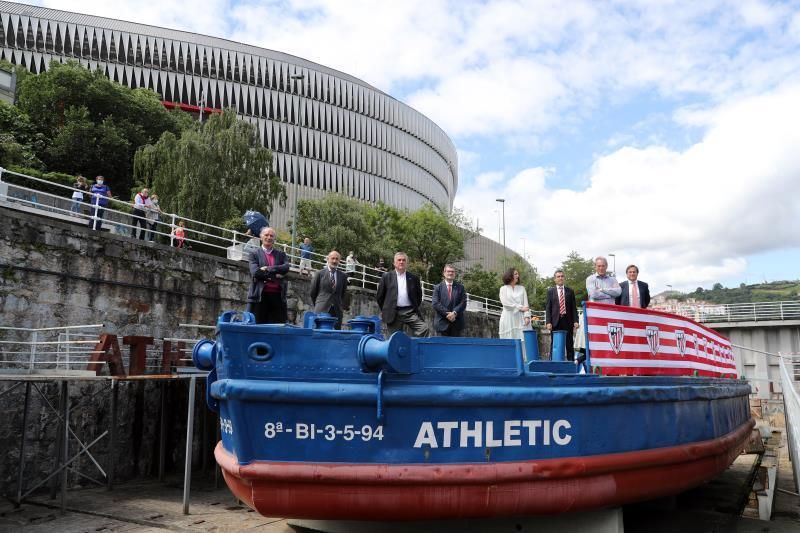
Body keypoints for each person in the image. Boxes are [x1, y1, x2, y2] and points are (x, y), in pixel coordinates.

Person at [376, 252, 429, 337]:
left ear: (407, 263)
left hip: (409, 312)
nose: (401, 262)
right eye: (399, 260)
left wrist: (413, 308)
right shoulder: (387, 276)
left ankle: (413, 347)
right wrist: (385, 310)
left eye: (404, 260)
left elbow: (418, 296)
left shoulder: (414, 278)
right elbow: (380, 296)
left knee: (423, 329)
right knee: (394, 338)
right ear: (394, 263)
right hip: (394, 312)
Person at [247, 226, 290, 324]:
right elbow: (256, 272)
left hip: (277, 297)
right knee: (257, 326)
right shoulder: (254, 254)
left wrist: (268, 268)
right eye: (266, 235)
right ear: (261, 237)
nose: (269, 237)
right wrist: (275, 275)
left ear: (274, 239)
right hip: (259, 296)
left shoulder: (281, 254)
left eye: (271, 236)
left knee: (277, 327)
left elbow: (286, 268)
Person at [545, 269, 580, 361]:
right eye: (558, 276)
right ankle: (553, 363)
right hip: (555, 321)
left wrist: (576, 321)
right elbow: (548, 308)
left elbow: (573, 308)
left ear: (564, 278)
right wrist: (548, 322)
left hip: (567, 321)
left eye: (562, 276)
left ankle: (571, 364)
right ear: (555, 279)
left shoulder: (570, 291)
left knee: (569, 343)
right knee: (555, 344)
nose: (560, 278)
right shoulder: (550, 291)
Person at [309, 250, 349, 329]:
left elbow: (343, 294)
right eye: (332, 258)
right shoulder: (319, 274)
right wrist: (319, 304)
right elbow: (313, 292)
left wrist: (339, 305)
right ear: (328, 259)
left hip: (337, 311)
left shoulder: (343, 276)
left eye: (337, 259)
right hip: (321, 310)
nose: (334, 261)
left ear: (339, 261)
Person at [431, 264, 467, 337]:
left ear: (455, 274)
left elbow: (463, 303)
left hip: (456, 323)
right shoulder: (438, 287)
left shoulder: (460, 288)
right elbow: (435, 303)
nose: (450, 273)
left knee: (456, 348)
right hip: (442, 324)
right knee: (441, 348)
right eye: (448, 271)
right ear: (444, 273)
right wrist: (448, 314)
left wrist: (454, 313)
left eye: (452, 272)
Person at [498, 268, 530, 339]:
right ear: (509, 275)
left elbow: (526, 305)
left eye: (518, 274)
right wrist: (520, 308)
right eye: (516, 274)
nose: (518, 276)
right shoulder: (503, 289)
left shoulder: (522, 288)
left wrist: (527, 316)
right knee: (508, 340)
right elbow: (506, 304)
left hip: (521, 318)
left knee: (523, 340)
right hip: (507, 318)